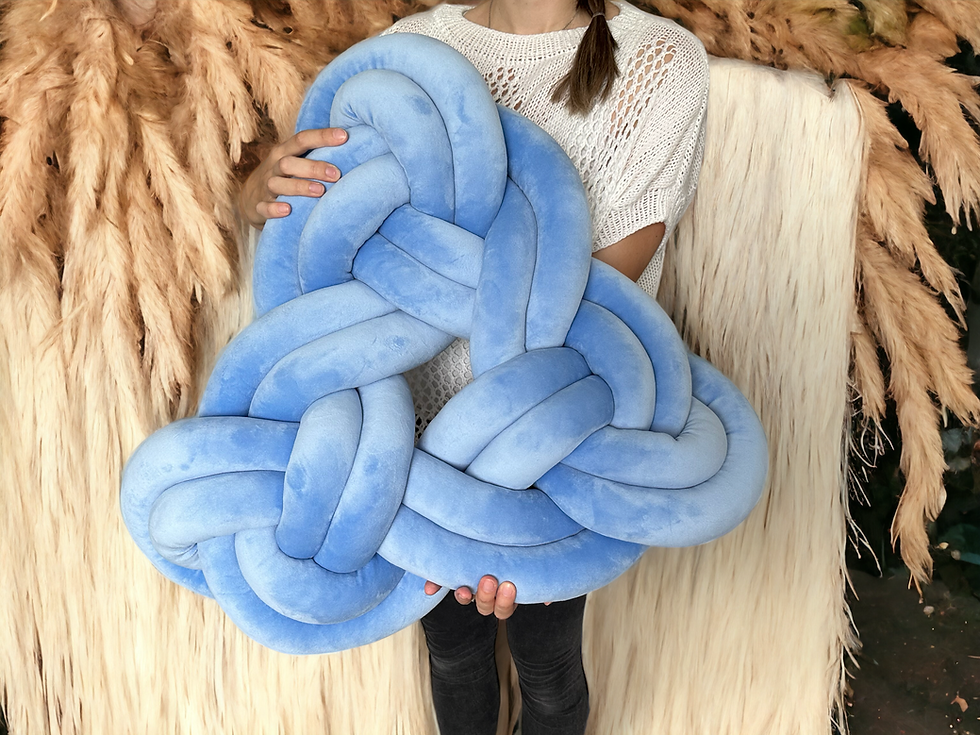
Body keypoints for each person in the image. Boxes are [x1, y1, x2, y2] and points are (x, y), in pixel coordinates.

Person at [239, 1, 709, 732]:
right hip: (407, 446)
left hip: (548, 448)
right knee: (453, 656)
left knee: (548, 671)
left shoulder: (659, 64)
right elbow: (323, 244)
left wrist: (493, 502)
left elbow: (586, 302)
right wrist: (264, 191)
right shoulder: (408, 49)